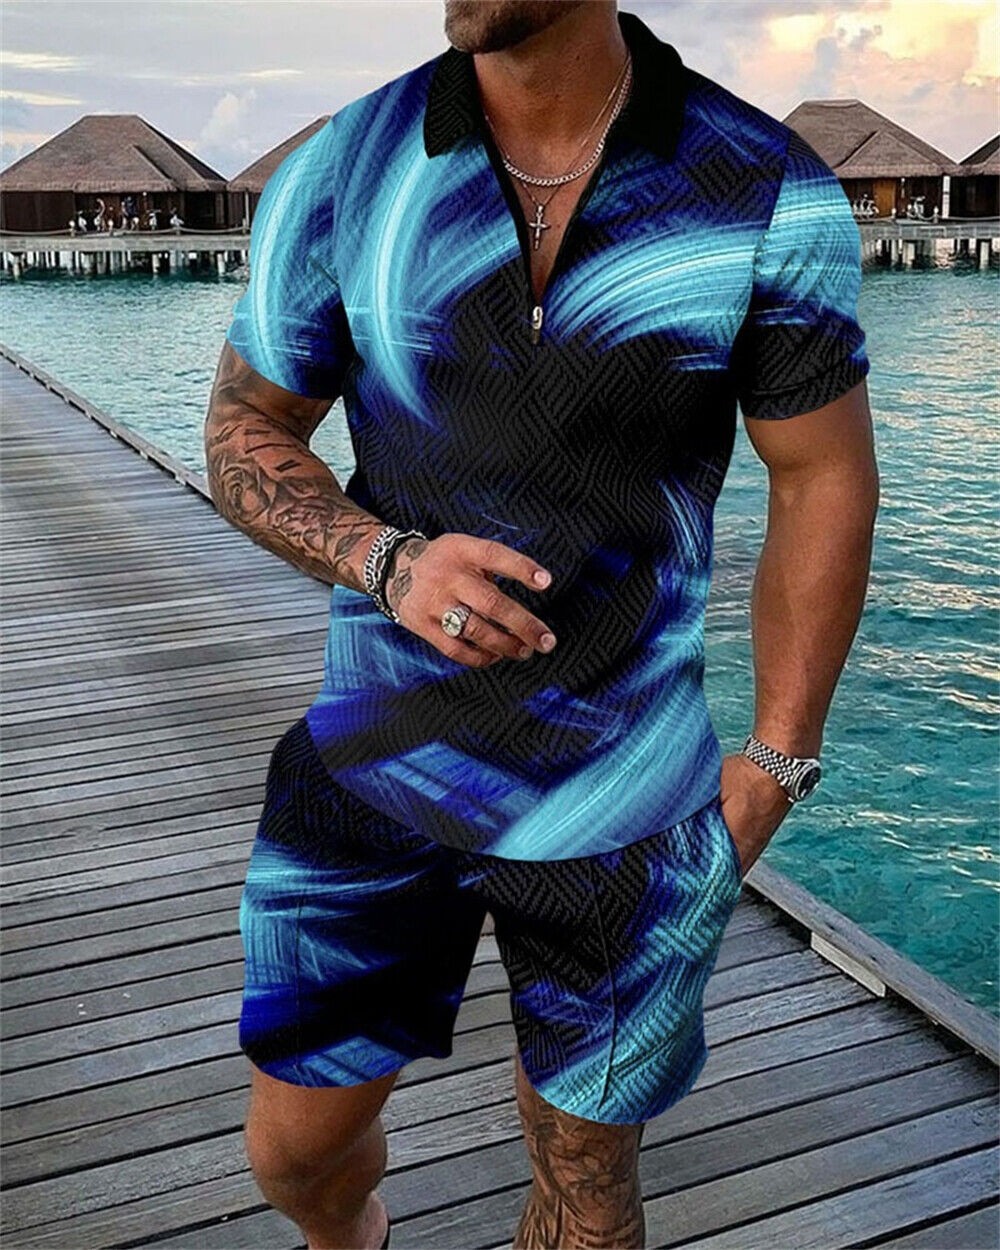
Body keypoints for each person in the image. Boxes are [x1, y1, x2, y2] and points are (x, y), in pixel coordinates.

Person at [205, 3, 878, 1248]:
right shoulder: (346, 166)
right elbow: (246, 425)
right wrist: (385, 560)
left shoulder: (759, 186)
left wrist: (778, 757)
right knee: (295, 1154)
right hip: (374, 766)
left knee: (587, 1177)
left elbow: (820, 474)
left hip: (625, 800)